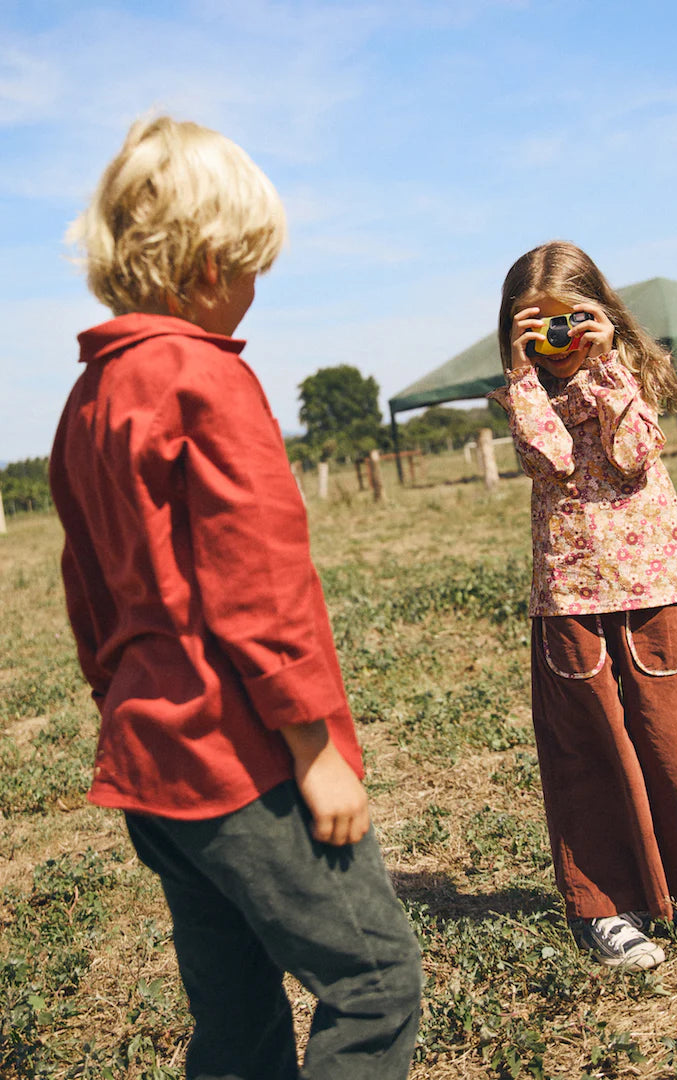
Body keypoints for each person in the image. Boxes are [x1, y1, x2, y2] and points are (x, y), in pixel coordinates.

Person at [50, 115, 422, 1079]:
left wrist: (120, 701)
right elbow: (259, 588)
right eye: (253, 267)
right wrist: (316, 751)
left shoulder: (89, 397)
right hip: (243, 757)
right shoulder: (207, 380)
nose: (258, 288)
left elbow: (84, 593)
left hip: (151, 764)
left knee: (238, 1012)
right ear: (208, 264)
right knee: (374, 979)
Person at [489, 240, 677, 971]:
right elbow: (548, 457)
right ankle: (606, 909)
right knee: (592, 754)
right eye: (537, 325)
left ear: (603, 314)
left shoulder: (631, 373)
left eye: (572, 320)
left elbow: (633, 453)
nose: (558, 339)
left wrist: (608, 363)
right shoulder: (527, 393)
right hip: (571, 595)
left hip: (655, 585)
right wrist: (524, 375)